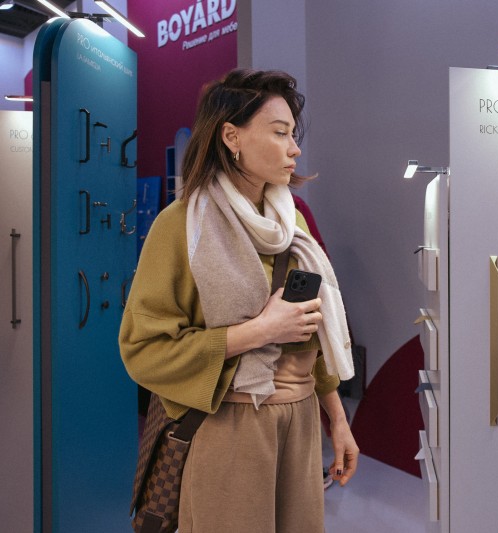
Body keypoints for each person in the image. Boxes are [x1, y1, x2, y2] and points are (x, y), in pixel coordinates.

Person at [119, 68, 359, 532]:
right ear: (232, 137)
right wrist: (258, 331)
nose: (295, 148)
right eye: (280, 133)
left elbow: (312, 331)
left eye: (293, 134)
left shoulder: (292, 224)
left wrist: (337, 419)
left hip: (300, 422)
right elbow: (143, 350)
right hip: (228, 425)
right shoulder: (181, 226)